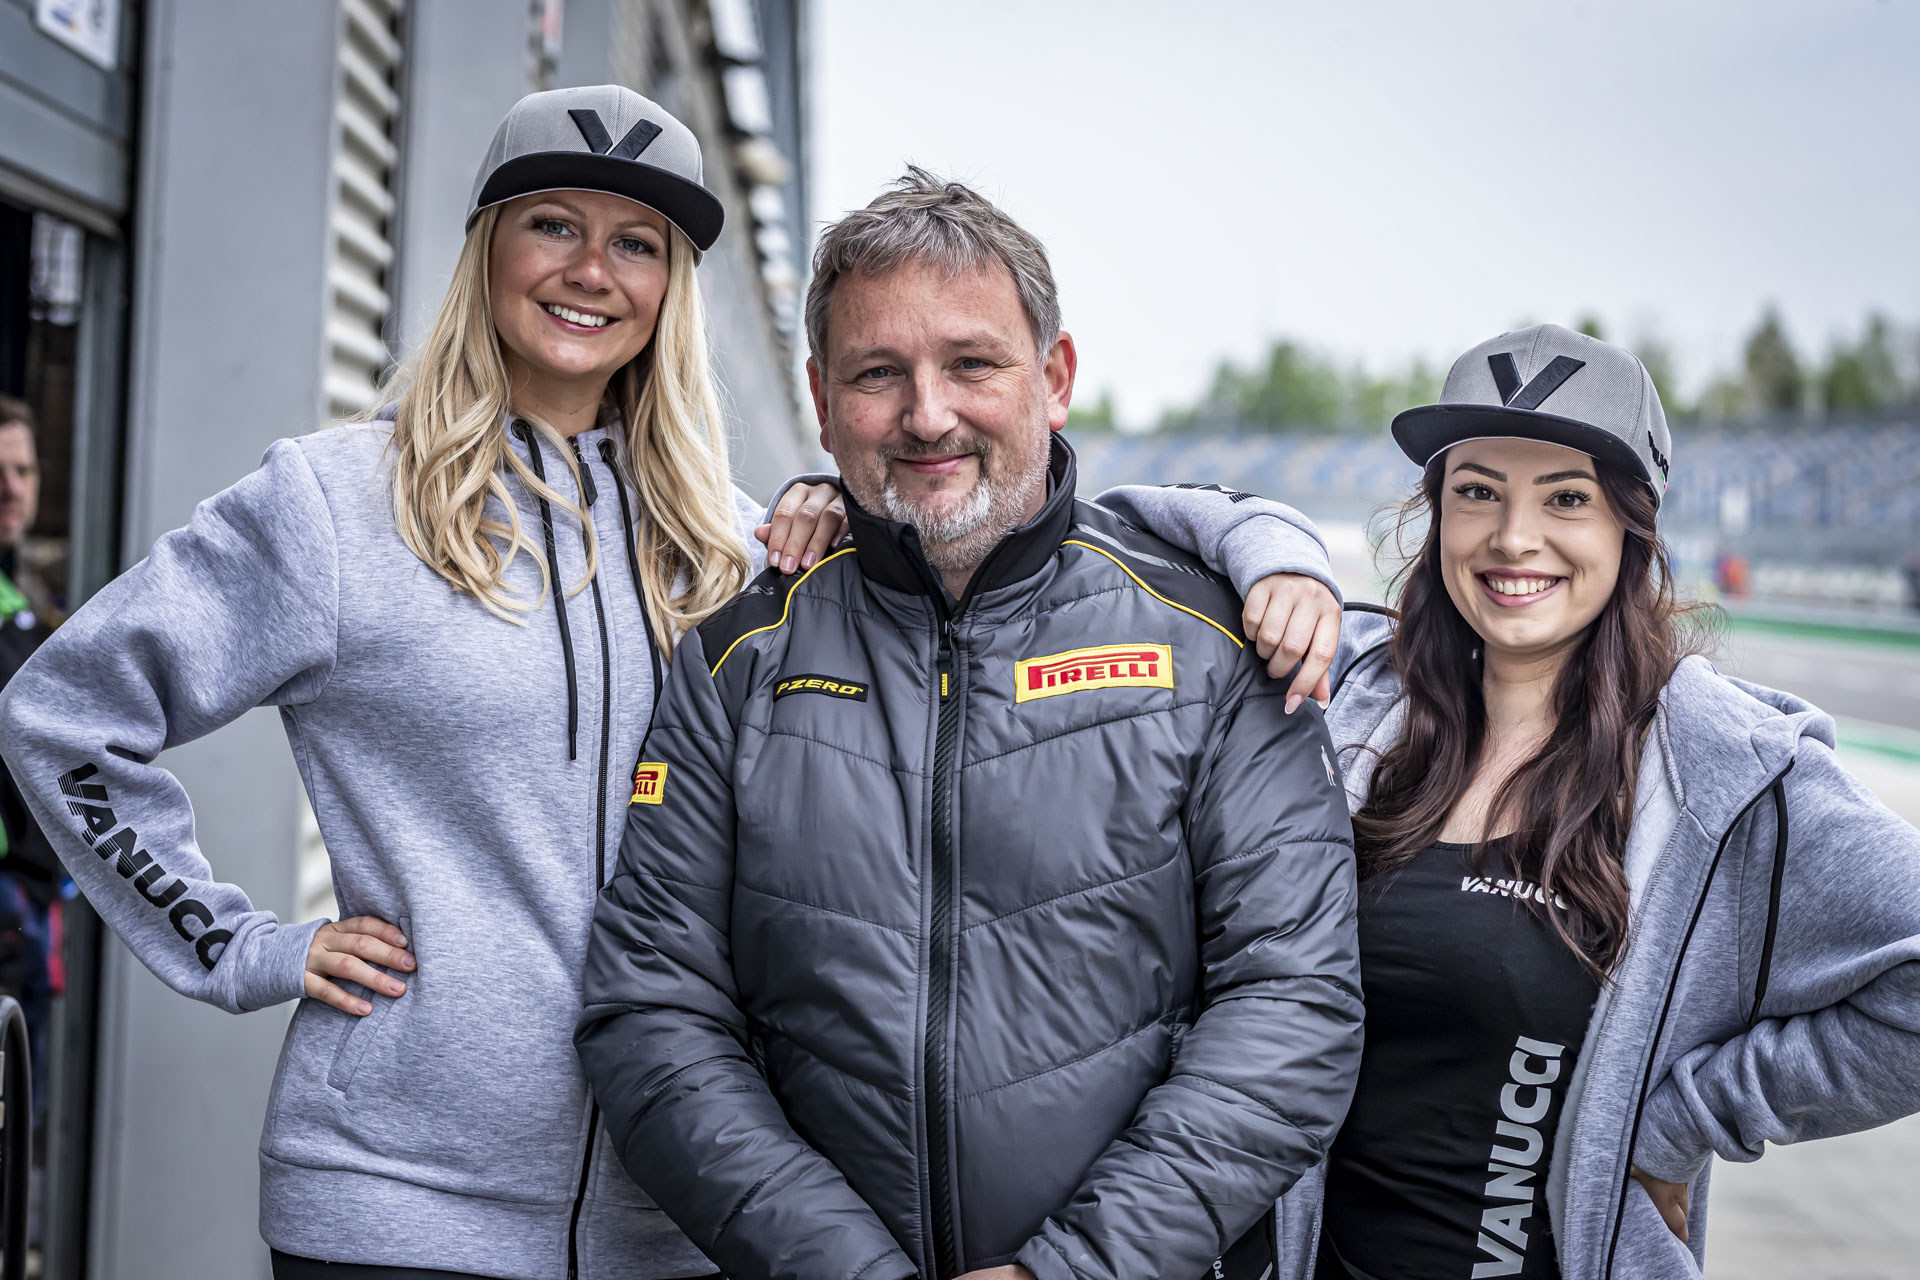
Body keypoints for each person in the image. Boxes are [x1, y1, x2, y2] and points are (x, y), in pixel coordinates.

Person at [0, 86, 856, 1280]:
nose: (592, 270)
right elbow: (62, 713)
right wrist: (234, 939)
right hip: (394, 1209)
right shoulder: (337, 504)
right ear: (488, 244)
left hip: (679, 1214)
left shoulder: (728, 542)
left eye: (637, 242)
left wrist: (850, 519)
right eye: (553, 223)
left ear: (672, 287)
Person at [576, 170, 1365, 1280]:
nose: (928, 414)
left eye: (972, 364)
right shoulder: (735, 659)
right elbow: (653, 1011)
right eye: (878, 373)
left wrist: (1072, 1270)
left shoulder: (1214, 645)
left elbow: (1295, 1002)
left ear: (1055, 377)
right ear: (821, 399)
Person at [1153, 324, 1920, 1280]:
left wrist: (1683, 1117)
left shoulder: (1723, 770)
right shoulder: (1352, 694)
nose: (1514, 538)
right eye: (1477, 492)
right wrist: (1280, 554)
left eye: (1566, 498)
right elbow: (1133, 518)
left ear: (1632, 524)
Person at [0, 395, 60, 1121]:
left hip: (33, 904)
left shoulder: (29, 600)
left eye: (23, 470)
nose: (11, 488)